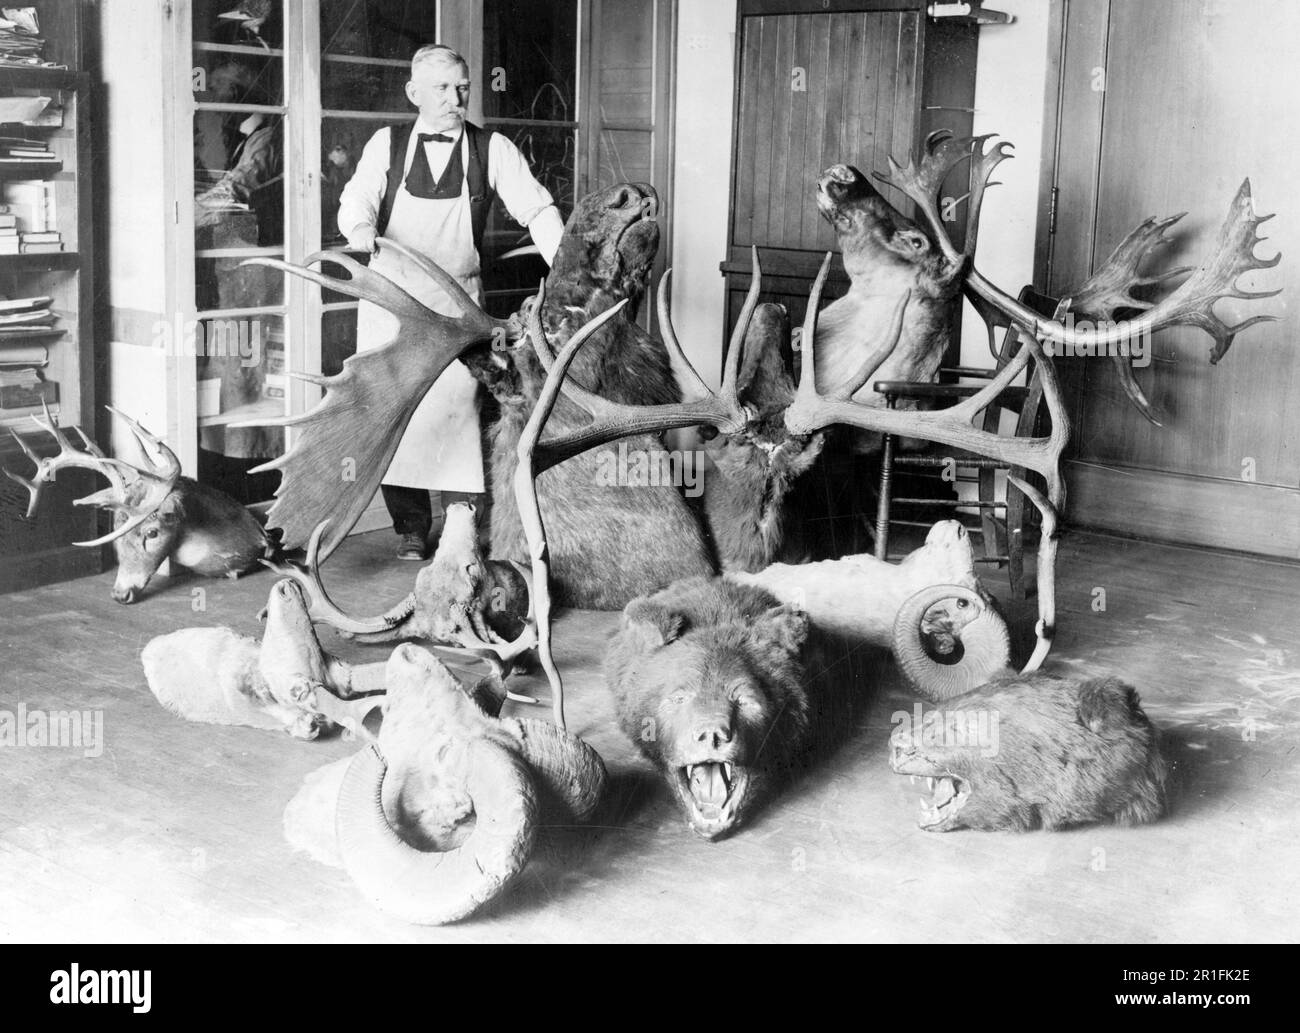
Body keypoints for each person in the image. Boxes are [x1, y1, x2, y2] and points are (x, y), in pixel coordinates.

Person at [337, 44, 565, 560]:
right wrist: (359, 228)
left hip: (458, 302)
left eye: (462, 87)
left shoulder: (492, 149)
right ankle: (411, 529)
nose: (454, 98)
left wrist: (566, 265)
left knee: (460, 410)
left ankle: (463, 525)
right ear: (414, 93)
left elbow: (539, 210)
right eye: (441, 88)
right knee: (397, 411)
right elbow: (357, 199)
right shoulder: (386, 145)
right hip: (391, 300)